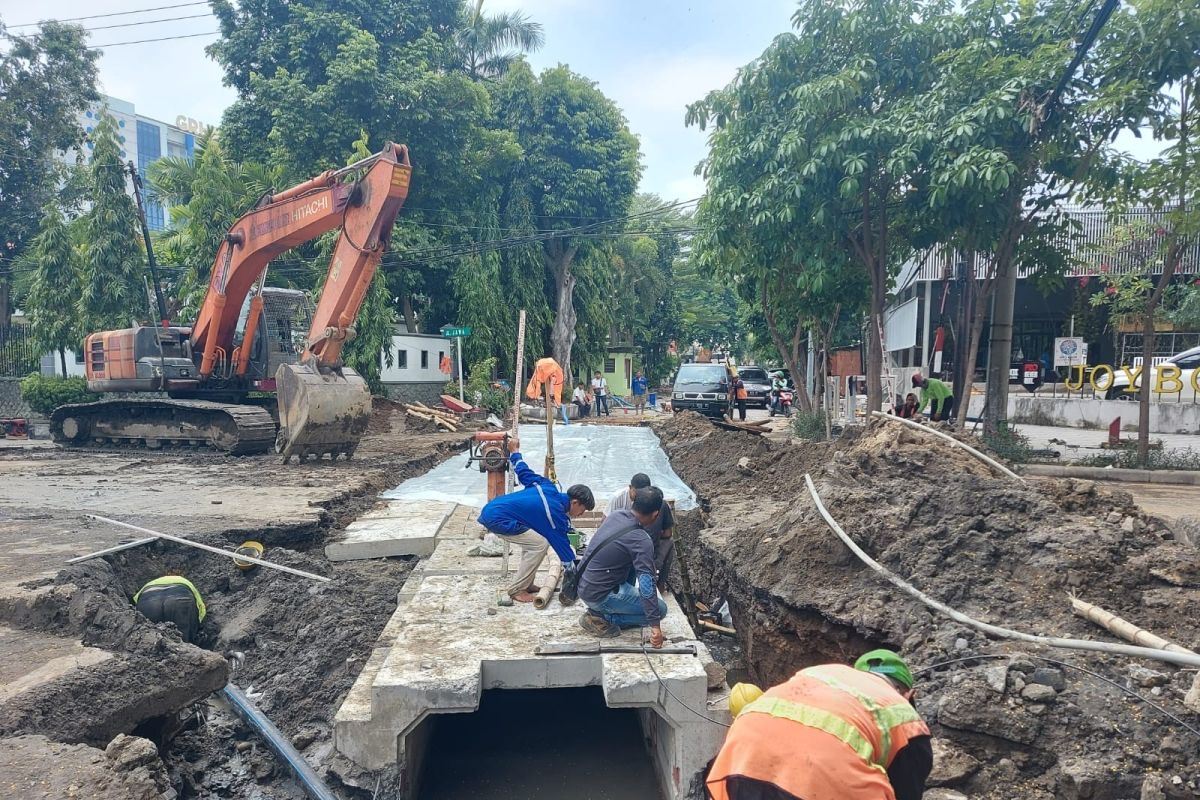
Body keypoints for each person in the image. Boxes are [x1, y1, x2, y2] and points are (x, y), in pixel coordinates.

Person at [707, 649, 932, 800]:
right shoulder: (902, 714)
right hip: (821, 781)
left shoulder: (823, 674)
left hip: (741, 761)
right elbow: (906, 790)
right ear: (909, 694)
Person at [476, 437, 595, 602]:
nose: (581, 514)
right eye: (582, 510)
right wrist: (570, 568)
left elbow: (523, 472)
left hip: (494, 509)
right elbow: (559, 541)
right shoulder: (554, 514)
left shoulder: (547, 486)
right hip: (498, 519)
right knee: (539, 544)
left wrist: (515, 452)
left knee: (533, 541)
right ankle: (517, 590)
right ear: (575, 502)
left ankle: (527, 583)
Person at [578, 486, 669, 647]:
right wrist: (655, 626)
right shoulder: (641, 540)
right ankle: (602, 617)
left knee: (634, 564)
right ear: (655, 515)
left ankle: (605, 609)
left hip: (585, 585)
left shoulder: (616, 515)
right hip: (599, 596)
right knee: (661, 610)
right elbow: (647, 585)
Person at [607, 473, 676, 588]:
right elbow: (668, 533)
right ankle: (659, 585)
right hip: (638, 554)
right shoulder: (659, 505)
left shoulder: (621, 516)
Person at [133, 575, 206, 644]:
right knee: (183, 642)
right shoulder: (185, 582)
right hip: (181, 594)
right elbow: (201, 611)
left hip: (148, 598)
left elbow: (135, 606)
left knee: (149, 641)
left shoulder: (148, 584)